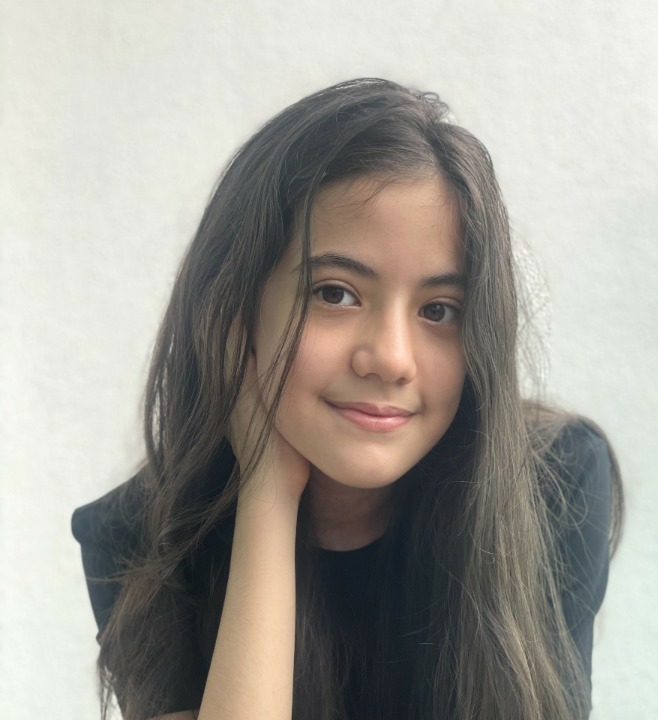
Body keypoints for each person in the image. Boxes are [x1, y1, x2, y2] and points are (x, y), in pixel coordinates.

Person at [71, 78, 623, 720]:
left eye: (439, 310)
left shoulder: (551, 483)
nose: (391, 359)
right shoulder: (138, 537)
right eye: (335, 293)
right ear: (232, 312)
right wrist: (266, 494)